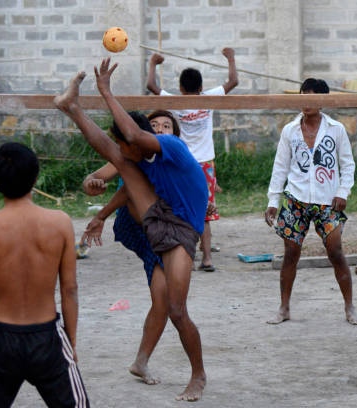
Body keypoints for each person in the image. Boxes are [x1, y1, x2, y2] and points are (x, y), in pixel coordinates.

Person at [54, 59, 208, 401]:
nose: (123, 152)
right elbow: (114, 149)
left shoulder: (172, 148)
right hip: (154, 220)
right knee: (119, 160)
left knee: (176, 309)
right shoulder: (138, 159)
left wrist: (107, 91)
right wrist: (102, 215)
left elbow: (135, 136)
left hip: (182, 231)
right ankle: (71, 107)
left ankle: (198, 375)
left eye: (127, 145)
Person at [0, 142, 89, 407]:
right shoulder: (60, 222)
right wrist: (71, 342)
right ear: (35, 175)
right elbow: (70, 289)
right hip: (48, 336)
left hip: (2, 338)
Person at [80, 110, 180, 385]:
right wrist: (93, 184)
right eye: (154, 125)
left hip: (159, 234)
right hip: (136, 228)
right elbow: (96, 179)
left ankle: (141, 361)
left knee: (164, 299)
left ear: (175, 135)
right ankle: (142, 360)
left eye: (166, 126)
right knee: (165, 298)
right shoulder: (130, 157)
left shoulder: (174, 159)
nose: (160, 129)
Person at [264, 78, 357, 326]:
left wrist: (343, 191)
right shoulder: (290, 130)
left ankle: (350, 307)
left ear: (323, 100)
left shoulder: (336, 129)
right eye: (302, 95)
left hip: (328, 202)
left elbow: (347, 164)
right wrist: (273, 200)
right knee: (290, 254)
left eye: (312, 96)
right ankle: (284, 307)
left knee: (336, 251)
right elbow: (280, 166)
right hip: (295, 200)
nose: (306, 101)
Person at [147, 48, 239, 272]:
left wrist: (153, 63)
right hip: (205, 164)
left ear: (180, 88)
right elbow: (233, 81)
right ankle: (206, 258)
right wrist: (230, 57)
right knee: (203, 210)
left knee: (175, 206)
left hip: (181, 162)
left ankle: (174, 250)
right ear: (200, 88)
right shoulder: (208, 98)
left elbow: (151, 86)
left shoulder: (175, 102)